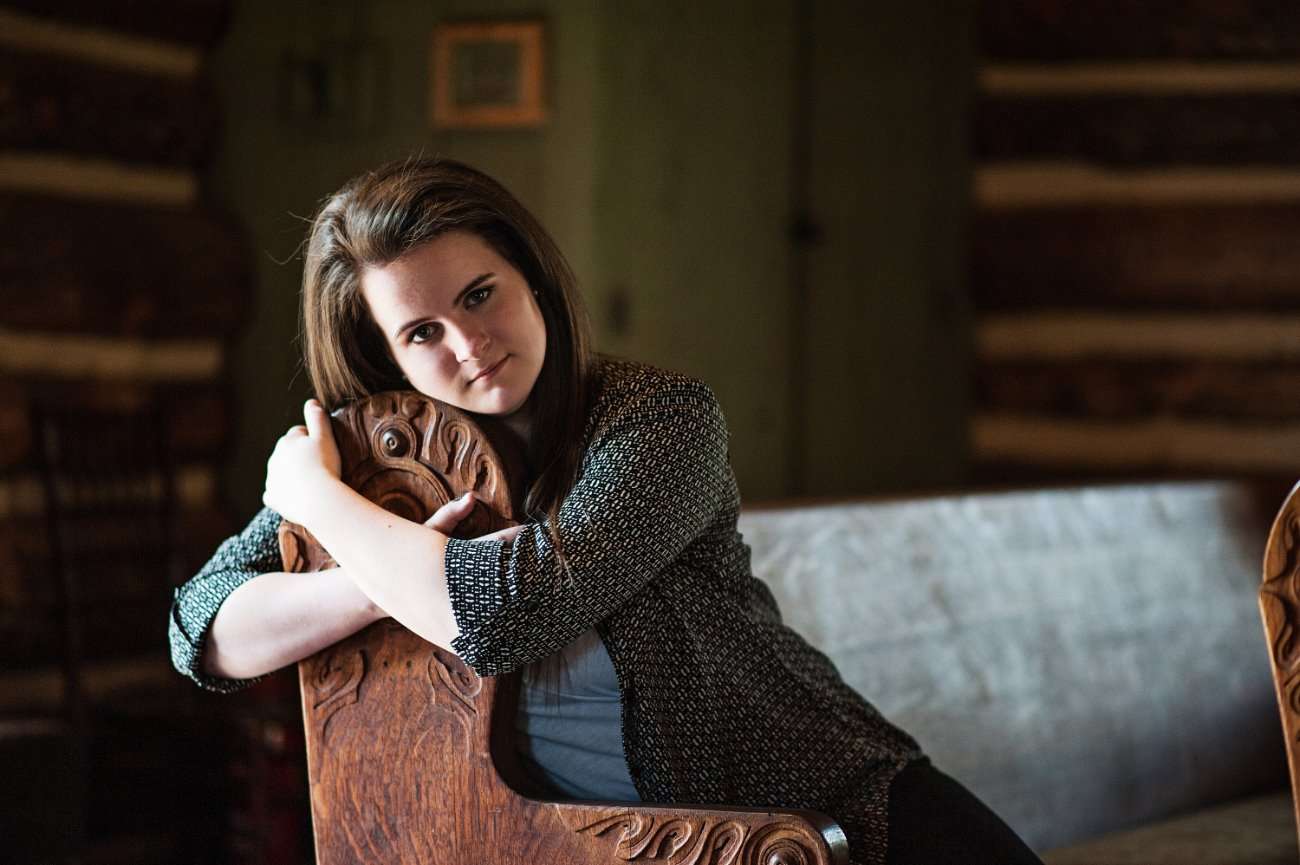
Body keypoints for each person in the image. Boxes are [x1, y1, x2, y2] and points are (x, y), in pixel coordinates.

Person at [168, 156, 1043, 865]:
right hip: (582, 844)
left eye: (480, 294)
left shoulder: (660, 420)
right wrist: (374, 577)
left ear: (534, 278)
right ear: (386, 356)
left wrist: (315, 500)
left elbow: (505, 613)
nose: (469, 344)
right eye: (422, 332)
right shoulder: (380, 469)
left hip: (822, 813)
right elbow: (201, 633)